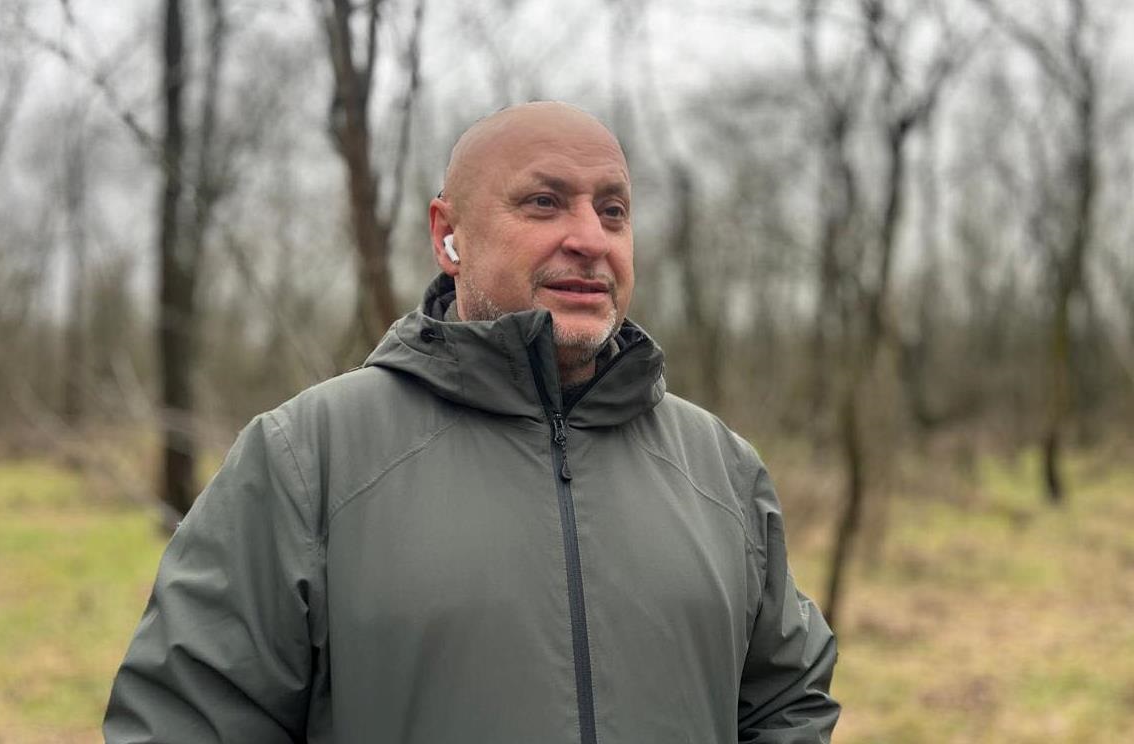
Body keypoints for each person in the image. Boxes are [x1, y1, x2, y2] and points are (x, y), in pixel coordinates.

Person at [104, 101, 839, 743]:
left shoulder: (720, 469)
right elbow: (187, 720)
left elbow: (787, 697)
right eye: (545, 203)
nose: (591, 238)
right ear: (447, 234)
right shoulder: (306, 458)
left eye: (612, 210)